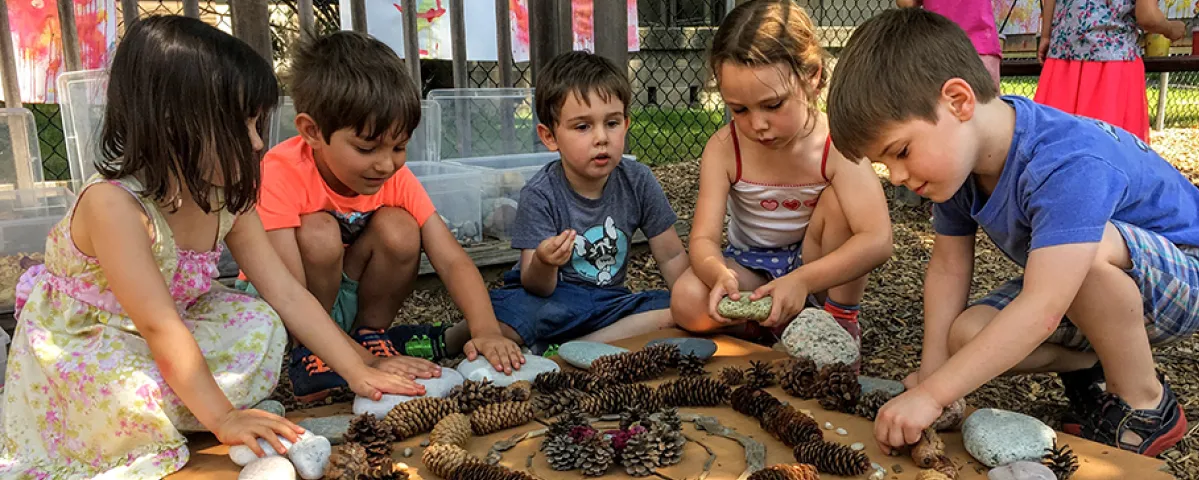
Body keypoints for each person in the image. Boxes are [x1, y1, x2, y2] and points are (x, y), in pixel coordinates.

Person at [0, 16, 434, 477]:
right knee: (116, 382)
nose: (257, 142)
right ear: (172, 124)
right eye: (241, 126)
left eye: (256, 124)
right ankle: (191, 412)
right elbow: (159, 326)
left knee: (259, 322)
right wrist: (224, 418)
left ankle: (185, 406)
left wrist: (358, 367)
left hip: (166, 332)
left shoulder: (225, 196)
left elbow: (285, 293)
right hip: (94, 343)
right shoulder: (113, 206)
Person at [827, 8, 1199, 457]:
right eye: (885, 164)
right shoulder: (956, 168)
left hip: (1189, 274)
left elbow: (1044, 305)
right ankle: (1099, 365)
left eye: (901, 152)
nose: (895, 176)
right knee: (967, 336)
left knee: (1083, 254)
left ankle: (1146, 404)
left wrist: (932, 397)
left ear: (958, 101)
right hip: (1105, 284)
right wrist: (934, 375)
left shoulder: (1063, 161)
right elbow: (948, 268)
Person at [245, 31, 524, 402]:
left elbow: (452, 258)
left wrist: (485, 328)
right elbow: (286, 291)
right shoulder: (281, 172)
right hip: (286, 303)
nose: (385, 163)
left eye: (400, 146)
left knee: (401, 227)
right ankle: (309, 354)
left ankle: (369, 334)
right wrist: (364, 365)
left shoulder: (394, 175)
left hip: (342, 289)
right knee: (319, 232)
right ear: (312, 132)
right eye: (366, 147)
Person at [670, 0, 893, 354]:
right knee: (686, 300)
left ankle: (837, 324)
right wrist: (718, 276)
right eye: (739, 109)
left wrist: (802, 280)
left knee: (841, 203)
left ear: (813, 77)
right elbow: (703, 240)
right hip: (751, 267)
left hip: (817, 268)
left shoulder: (835, 143)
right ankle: (773, 326)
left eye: (773, 105)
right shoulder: (726, 147)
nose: (757, 124)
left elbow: (878, 239)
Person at [488, 51, 689, 350]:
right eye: (583, 127)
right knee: (502, 312)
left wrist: (692, 300)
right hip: (553, 301)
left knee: (675, 307)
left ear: (627, 123)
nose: (601, 138)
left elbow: (671, 257)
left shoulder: (638, 180)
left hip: (610, 304)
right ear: (550, 136)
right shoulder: (541, 193)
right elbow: (535, 285)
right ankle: (447, 338)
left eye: (612, 123)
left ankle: (570, 346)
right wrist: (544, 261)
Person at [1034, 0, 1186, 141]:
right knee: (1110, 148)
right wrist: (1171, 29)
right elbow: (1147, 16)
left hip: (1062, 58)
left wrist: (1046, 35)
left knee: (1054, 144)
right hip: (1113, 64)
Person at [896, 0, 1003, 85]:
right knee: (988, 104)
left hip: (940, 42)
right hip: (982, 41)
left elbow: (906, 3)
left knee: (942, 104)